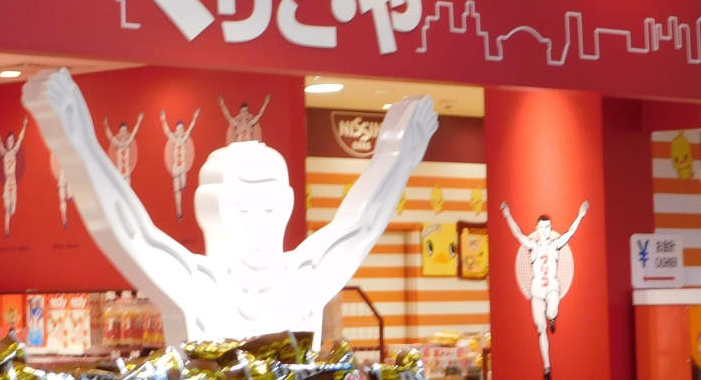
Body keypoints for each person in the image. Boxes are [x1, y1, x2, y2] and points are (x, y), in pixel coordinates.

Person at [22, 68, 437, 343]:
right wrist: (76, 141)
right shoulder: (199, 288)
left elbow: (362, 224)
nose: (258, 222)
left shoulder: (303, 281)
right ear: (210, 210)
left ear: (288, 205)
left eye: (269, 207)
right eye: (241, 208)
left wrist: (399, 156)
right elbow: (129, 231)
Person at [499, 199, 589, 380]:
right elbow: (518, 234)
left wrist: (580, 215)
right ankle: (547, 367)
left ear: (550, 228)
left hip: (552, 287)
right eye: (541, 228)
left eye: (547, 227)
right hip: (537, 291)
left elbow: (570, 233)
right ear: (537, 229)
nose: (544, 231)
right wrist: (507, 215)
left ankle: (553, 317)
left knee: (551, 311)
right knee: (541, 328)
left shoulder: (555, 245)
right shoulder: (533, 246)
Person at [161, 108, 200, 220]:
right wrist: (163, 119)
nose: (181, 131)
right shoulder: (173, 139)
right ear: (176, 130)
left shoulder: (185, 138)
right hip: (175, 167)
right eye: (179, 129)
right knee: (176, 190)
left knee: (183, 180)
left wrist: (195, 117)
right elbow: (167, 131)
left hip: (182, 164)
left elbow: (191, 128)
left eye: (182, 128)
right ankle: (179, 210)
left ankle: (184, 185)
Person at [0, 117, 27, 238]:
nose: (10, 142)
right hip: (8, 182)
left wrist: (24, 126)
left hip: (13, 182)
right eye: (9, 141)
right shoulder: (4, 152)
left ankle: (10, 215)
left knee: (12, 210)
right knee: (7, 208)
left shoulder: (14, 151)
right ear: (7, 142)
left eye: (12, 140)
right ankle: (6, 230)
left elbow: (20, 139)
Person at [103, 114, 143, 184]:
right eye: (122, 131)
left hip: (127, 174)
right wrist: (106, 125)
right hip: (119, 174)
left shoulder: (128, 143)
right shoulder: (118, 144)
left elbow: (134, 133)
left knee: (127, 189)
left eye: (125, 131)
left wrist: (138, 121)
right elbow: (110, 137)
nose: (124, 133)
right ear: (120, 132)